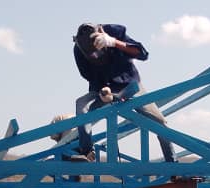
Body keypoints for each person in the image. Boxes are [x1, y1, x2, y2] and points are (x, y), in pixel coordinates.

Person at [72, 22, 175, 163]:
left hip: (129, 85)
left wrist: (114, 42)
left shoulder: (113, 32)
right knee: (82, 104)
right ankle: (87, 152)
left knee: (159, 123)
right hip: (103, 89)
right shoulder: (78, 50)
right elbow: (88, 75)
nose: (96, 57)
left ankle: (172, 162)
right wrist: (103, 90)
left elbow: (142, 53)